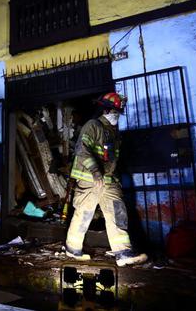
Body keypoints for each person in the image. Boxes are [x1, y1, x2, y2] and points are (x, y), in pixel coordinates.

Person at [65, 92, 148, 267]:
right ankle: (72, 249)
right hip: (89, 180)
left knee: (118, 212)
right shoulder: (92, 126)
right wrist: (95, 172)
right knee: (84, 214)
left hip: (109, 181)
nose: (117, 115)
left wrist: (113, 177)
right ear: (106, 110)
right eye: (115, 111)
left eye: (118, 112)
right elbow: (82, 149)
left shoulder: (114, 133)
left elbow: (112, 160)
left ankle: (123, 253)